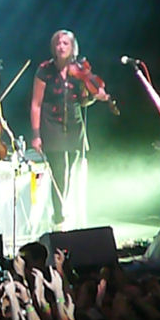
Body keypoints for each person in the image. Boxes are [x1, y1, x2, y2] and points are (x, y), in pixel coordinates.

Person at [30, 29, 109, 229]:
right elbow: (36, 104)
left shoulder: (80, 71)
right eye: (58, 43)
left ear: (73, 47)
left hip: (74, 125)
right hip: (51, 125)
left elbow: (83, 101)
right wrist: (36, 135)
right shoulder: (45, 70)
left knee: (71, 171)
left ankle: (64, 210)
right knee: (59, 171)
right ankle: (58, 218)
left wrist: (95, 97)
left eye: (65, 43)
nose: (61, 47)